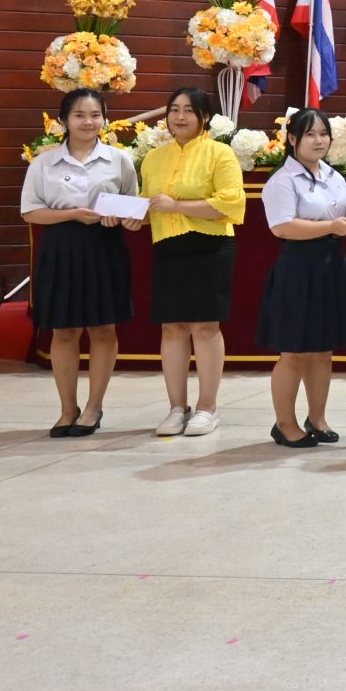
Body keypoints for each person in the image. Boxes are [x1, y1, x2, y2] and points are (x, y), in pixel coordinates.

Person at [19, 88, 140, 438]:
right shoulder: (44, 163)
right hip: (61, 247)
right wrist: (72, 214)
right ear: (63, 121)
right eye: (79, 115)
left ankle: (93, 407)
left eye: (95, 115)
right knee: (64, 330)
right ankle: (67, 409)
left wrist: (124, 217)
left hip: (105, 246)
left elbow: (133, 206)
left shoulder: (119, 160)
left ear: (105, 119)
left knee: (103, 328)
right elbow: (30, 211)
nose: (88, 122)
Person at [141, 87, 247, 437]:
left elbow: (230, 204)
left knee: (204, 327)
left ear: (205, 117)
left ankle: (207, 407)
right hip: (168, 246)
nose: (180, 117)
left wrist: (178, 206)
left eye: (188, 110)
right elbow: (149, 205)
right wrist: (131, 216)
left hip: (210, 246)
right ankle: (176, 408)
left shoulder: (220, 153)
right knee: (171, 328)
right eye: (174, 110)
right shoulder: (153, 158)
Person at [259, 108, 346, 449]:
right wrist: (331, 225)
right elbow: (282, 226)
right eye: (310, 134)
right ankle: (284, 424)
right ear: (292, 139)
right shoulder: (282, 180)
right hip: (299, 268)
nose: (319, 141)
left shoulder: (334, 176)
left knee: (322, 350)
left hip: (332, 264)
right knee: (295, 352)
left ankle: (317, 418)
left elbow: (333, 215)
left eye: (323, 134)